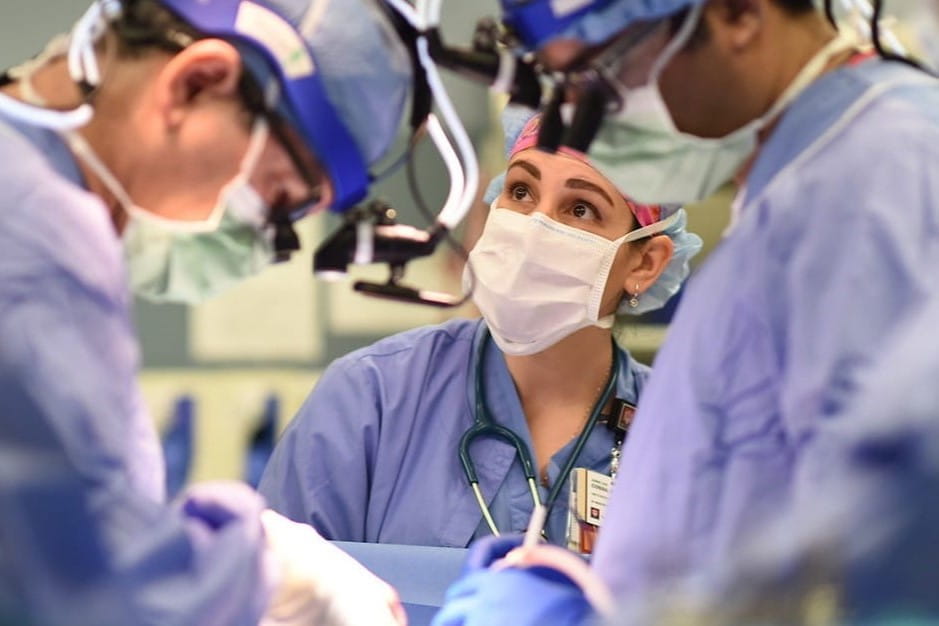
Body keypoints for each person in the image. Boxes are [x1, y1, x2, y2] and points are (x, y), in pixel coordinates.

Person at [431, 0, 939, 623]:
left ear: (738, 14)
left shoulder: (885, 184)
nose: (588, 125)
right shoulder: (795, 202)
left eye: (601, 77)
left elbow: (892, 565)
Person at [0, 0, 413, 623]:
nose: (259, 251)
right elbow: (99, 592)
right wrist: (262, 571)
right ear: (197, 82)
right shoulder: (36, 245)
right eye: (276, 205)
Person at [258, 110, 701, 548]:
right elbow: (273, 597)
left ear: (644, 263)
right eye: (522, 191)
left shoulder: (686, 440)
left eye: (580, 209)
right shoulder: (372, 400)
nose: (533, 228)